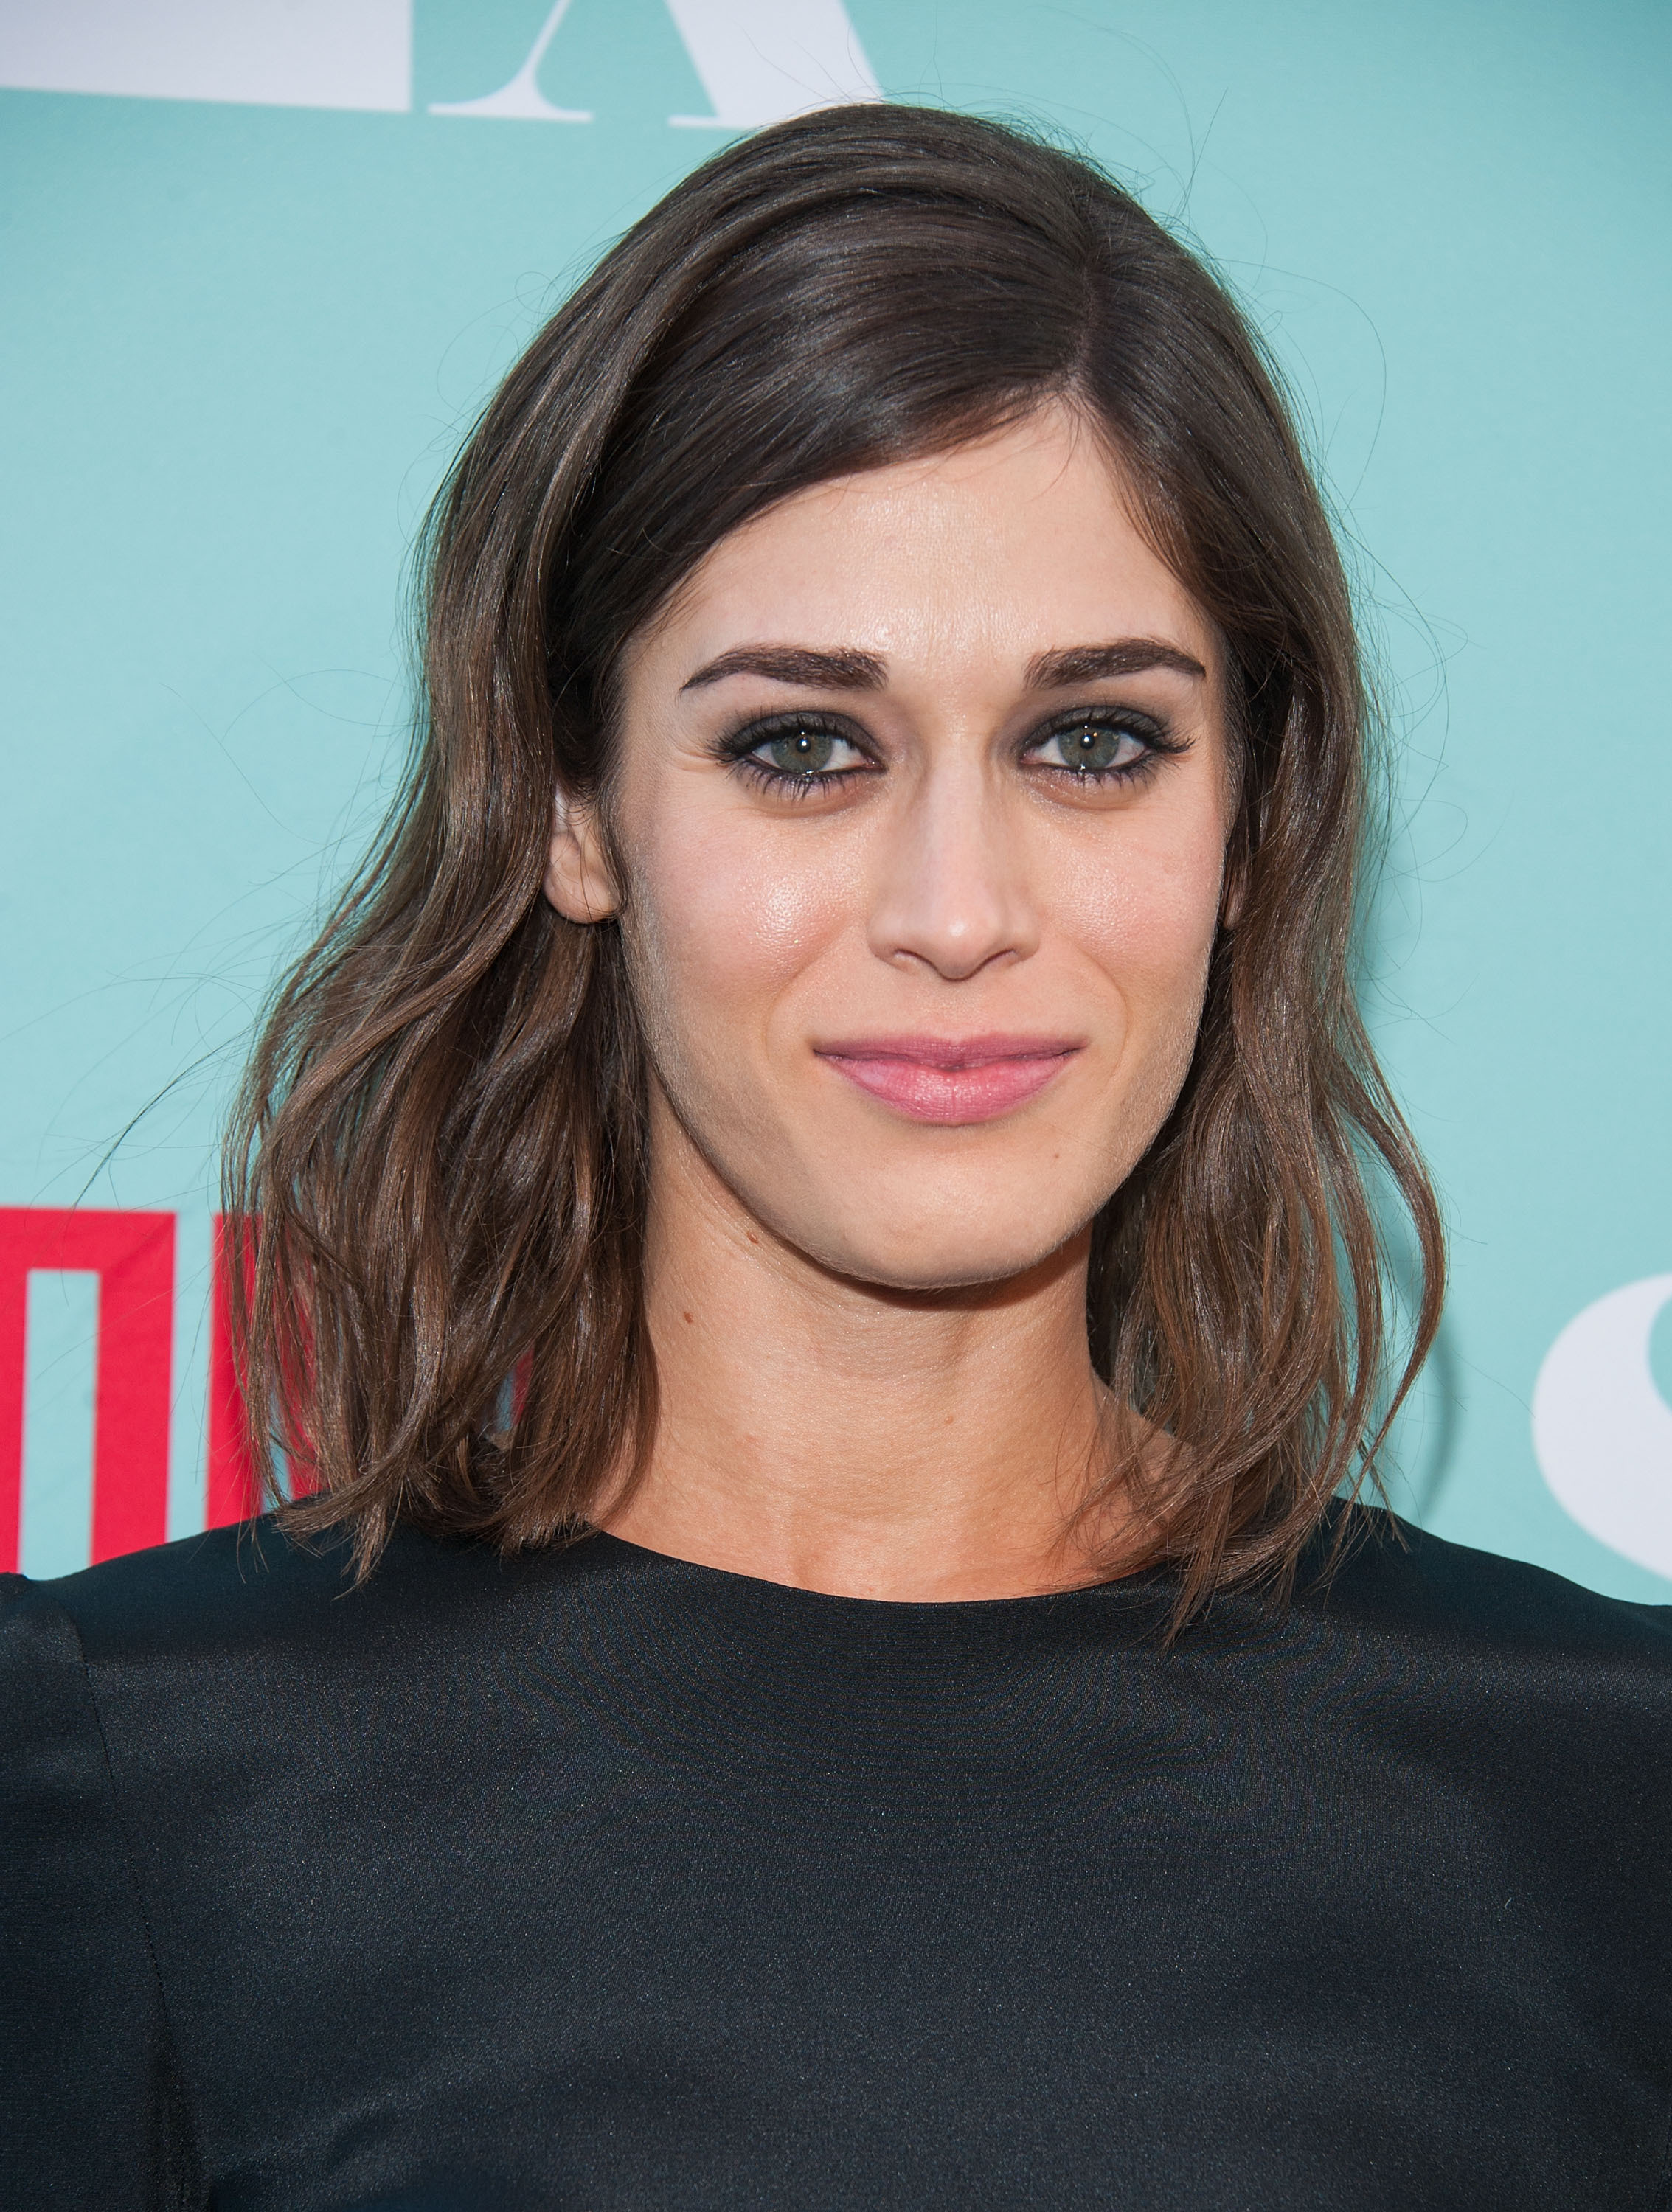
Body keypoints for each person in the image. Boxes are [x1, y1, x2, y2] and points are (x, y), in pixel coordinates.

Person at [2, 103, 1667, 2212]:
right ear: (571, 806)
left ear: (1250, 821)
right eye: (800, 746)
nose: (957, 910)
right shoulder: (133, 1776)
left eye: (1094, 741)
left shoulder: (1602, 1792)